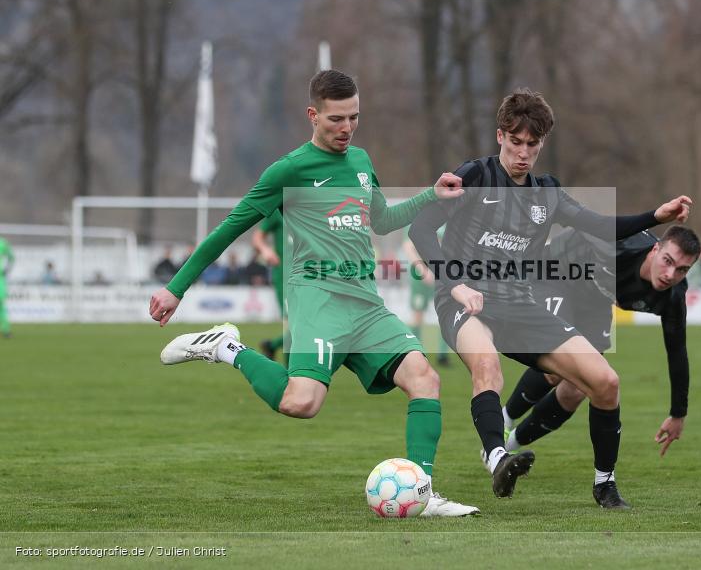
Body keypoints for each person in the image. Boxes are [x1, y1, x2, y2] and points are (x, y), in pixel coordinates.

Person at [149, 69, 478, 517]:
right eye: (336, 119)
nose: (347, 128)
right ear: (313, 115)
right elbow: (230, 229)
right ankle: (227, 347)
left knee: (425, 379)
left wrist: (431, 196)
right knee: (300, 403)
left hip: (364, 304)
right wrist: (176, 288)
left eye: (354, 118)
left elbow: (380, 221)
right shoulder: (289, 170)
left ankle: (421, 491)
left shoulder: (361, 162)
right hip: (317, 300)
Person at [409, 88, 692, 506]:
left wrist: (656, 216)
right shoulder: (474, 176)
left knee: (605, 382)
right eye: (516, 141)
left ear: (542, 144)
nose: (524, 153)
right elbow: (420, 228)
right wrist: (455, 283)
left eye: (533, 144)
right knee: (486, 366)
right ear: (501, 136)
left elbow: (599, 225)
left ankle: (605, 485)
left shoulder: (547, 193)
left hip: (519, 303)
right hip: (465, 300)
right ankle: (498, 456)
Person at [499, 226, 701, 507]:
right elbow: (577, 228)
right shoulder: (619, 244)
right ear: (655, 249)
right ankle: (504, 419)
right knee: (557, 365)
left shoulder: (673, 296)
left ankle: (512, 445)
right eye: (668, 261)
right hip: (559, 277)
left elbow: (677, 350)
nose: (671, 274)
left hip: (595, 301)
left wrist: (678, 413)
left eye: (682, 269)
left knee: (581, 388)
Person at [402, 227, 450, 366]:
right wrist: (422, 270)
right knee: (418, 315)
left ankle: (443, 355)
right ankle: (416, 354)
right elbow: (408, 247)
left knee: (445, 313)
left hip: (442, 276)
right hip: (420, 278)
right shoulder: (415, 218)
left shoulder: (447, 219)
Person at [252, 210, 287, 363]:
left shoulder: (314, 209)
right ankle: (292, 377)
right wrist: (266, 250)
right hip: (285, 276)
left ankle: (272, 345)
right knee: (293, 324)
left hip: (312, 275)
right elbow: (258, 237)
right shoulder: (279, 212)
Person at [0, 236, 13, 338]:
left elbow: (11, 257)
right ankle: (6, 330)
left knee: (1, 306)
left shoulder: (2, 243)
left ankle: (6, 330)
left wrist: (6, 269)